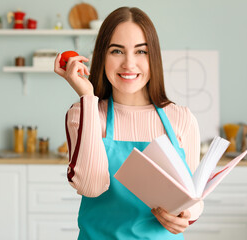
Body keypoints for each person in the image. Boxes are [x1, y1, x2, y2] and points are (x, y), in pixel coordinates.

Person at [54, 6, 202, 240]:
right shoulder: (83, 113)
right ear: (102, 56)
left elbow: (194, 196)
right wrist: (87, 97)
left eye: (141, 52)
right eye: (117, 51)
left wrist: (186, 214)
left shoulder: (181, 118)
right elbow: (91, 187)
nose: (129, 64)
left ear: (153, 57)